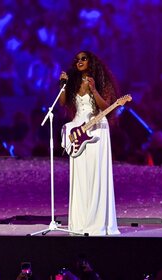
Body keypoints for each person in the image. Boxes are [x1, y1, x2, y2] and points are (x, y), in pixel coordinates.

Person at [59, 50, 120, 236]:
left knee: (96, 174)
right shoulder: (74, 81)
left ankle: (97, 223)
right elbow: (63, 103)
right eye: (76, 59)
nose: (79, 61)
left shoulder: (101, 82)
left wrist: (94, 90)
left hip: (97, 129)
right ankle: (81, 223)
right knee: (81, 176)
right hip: (79, 131)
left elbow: (107, 108)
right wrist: (63, 85)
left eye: (83, 58)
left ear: (91, 61)